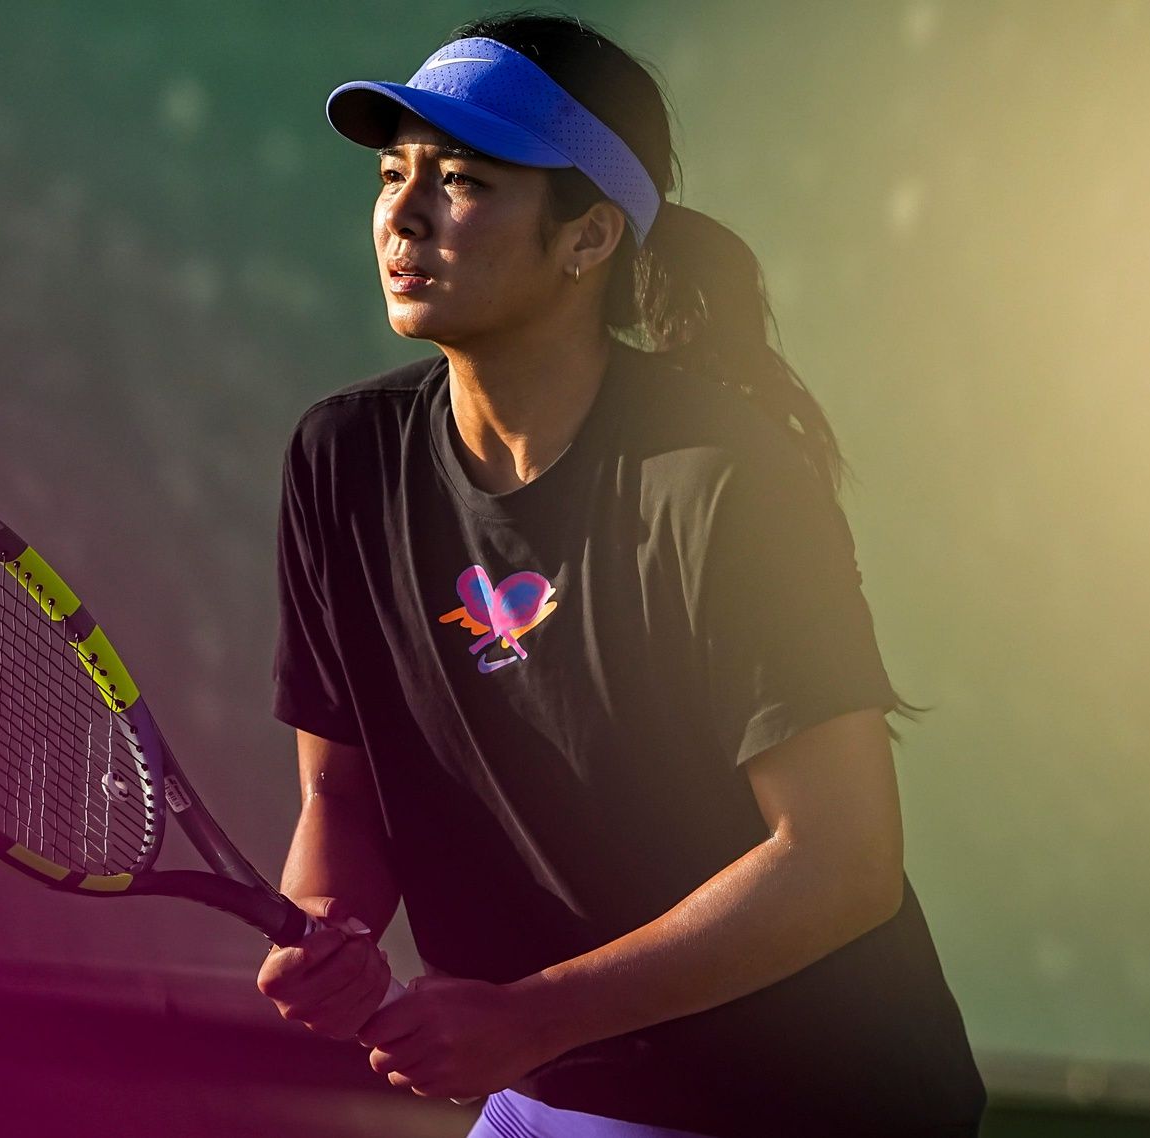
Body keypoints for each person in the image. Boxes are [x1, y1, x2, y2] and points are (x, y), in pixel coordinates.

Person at [256, 12, 986, 1137]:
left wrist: (537, 1015)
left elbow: (841, 860)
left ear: (590, 240)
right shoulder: (341, 461)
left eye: (462, 181)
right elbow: (340, 794)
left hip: (812, 1103)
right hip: (548, 1091)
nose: (402, 215)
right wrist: (329, 925)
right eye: (392, 173)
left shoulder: (726, 479)